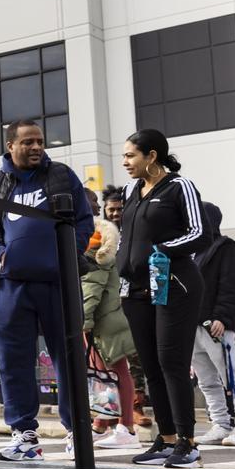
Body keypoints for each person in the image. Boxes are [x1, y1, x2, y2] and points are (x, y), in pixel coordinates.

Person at [0, 120, 93, 460]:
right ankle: (24, 437)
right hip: (11, 286)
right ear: (10, 146)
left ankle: (78, 433)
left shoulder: (61, 176)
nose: (36, 147)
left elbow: (84, 222)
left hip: (57, 284)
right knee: (14, 362)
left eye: (40, 141)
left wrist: (65, 255)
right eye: (27, 142)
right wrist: (1, 255)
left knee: (68, 359)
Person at [117, 129, 209, 468]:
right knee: (152, 367)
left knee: (172, 363)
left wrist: (160, 250)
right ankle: (167, 439)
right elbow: (127, 236)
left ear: (151, 156)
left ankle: (188, 441)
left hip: (175, 285)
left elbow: (200, 233)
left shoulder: (179, 186)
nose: (125, 162)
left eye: (130, 155)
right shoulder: (130, 190)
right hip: (136, 291)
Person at [80, 188, 140, 449]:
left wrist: (82, 321)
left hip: (101, 318)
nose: (96, 206)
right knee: (103, 374)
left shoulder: (98, 237)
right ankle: (103, 424)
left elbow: (92, 286)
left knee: (115, 372)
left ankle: (126, 428)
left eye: (94, 201)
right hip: (106, 316)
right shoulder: (98, 234)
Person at [191, 202, 235, 447]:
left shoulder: (226, 248)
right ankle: (220, 423)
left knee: (231, 376)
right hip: (193, 325)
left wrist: (223, 317)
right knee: (206, 379)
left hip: (215, 324)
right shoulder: (192, 251)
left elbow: (232, 286)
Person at [103, 184, 154, 429]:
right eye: (110, 209)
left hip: (133, 299)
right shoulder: (100, 233)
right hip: (108, 303)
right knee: (107, 360)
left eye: (119, 209)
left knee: (135, 357)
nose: (114, 214)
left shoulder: (135, 230)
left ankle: (135, 406)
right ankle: (107, 412)